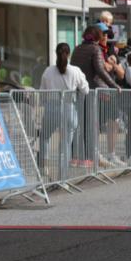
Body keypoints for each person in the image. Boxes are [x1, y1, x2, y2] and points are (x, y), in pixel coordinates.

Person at [70, 25, 121, 167]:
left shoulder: (77, 48)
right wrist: (114, 85)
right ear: (97, 37)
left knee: (79, 124)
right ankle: (89, 157)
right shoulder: (95, 49)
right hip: (93, 91)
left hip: (79, 90)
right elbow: (100, 70)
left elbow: (73, 67)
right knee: (91, 125)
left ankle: (75, 157)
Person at [39, 43, 89, 174]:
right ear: (69, 54)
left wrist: (44, 104)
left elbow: (42, 92)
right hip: (69, 107)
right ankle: (63, 173)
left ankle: (44, 166)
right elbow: (86, 90)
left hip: (51, 106)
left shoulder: (48, 71)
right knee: (66, 142)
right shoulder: (75, 70)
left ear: (56, 53)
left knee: (44, 137)